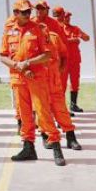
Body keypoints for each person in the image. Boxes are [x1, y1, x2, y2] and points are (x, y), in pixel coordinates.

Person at [0, 0, 66, 166]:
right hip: (19, 78)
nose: (28, 14)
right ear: (15, 13)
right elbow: (3, 55)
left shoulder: (38, 29)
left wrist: (28, 63)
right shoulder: (9, 32)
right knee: (24, 115)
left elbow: (47, 55)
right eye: (24, 12)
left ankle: (56, 146)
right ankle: (28, 147)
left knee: (43, 113)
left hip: (36, 78)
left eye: (29, 11)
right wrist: (17, 65)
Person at [39, 18, 82, 151]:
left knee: (62, 111)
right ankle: (46, 137)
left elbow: (64, 54)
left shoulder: (55, 38)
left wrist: (62, 67)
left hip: (54, 82)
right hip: (40, 83)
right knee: (43, 111)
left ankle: (71, 138)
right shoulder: (31, 39)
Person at [58, 9, 90, 113]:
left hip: (75, 59)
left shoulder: (75, 28)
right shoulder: (58, 28)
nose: (67, 19)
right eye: (66, 17)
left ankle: (73, 104)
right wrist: (72, 40)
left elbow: (86, 38)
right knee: (62, 83)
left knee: (75, 82)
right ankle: (61, 106)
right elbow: (59, 41)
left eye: (69, 17)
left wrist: (82, 36)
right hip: (63, 59)